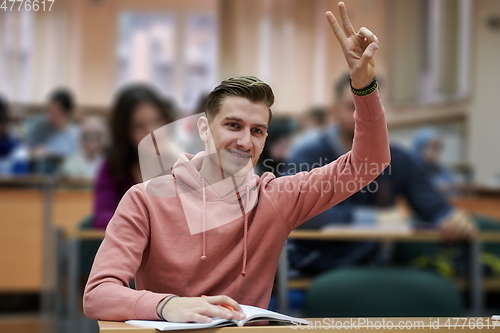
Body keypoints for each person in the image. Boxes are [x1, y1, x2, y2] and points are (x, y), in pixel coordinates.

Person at [84, 2, 390, 322]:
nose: (245, 141)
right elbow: (98, 295)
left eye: (257, 131)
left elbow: (369, 161)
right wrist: (168, 305)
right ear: (204, 128)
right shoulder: (145, 199)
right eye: (233, 125)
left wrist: (364, 87)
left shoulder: (275, 199)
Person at [285, 73, 476, 275]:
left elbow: (432, 206)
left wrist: (451, 219)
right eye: (353, 106)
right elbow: (294, 209)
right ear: (334, 112)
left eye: (374, 107)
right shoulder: (308, 154)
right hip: (314, 267)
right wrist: (376, 220)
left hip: (374, 268)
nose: (365, 114)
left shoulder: (400, 159)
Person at [92, 84, 177, 229]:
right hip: (132, 247)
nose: (152, 132)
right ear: (125, 133)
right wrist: (144, 223)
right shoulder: (113, 166)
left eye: (157, 121)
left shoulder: (183, 161)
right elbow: (101, 218)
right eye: (139, 126)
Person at [25, 89, 79, 173]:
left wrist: (49, 152)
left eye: (54, 112)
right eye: (48, 111)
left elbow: (75, 158)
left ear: (66, 113)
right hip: (41, 175)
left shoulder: (75, 134)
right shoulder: (41, 127)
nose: (49, 116)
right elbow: (28, 149)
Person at [412, 127, 460, 197]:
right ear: (419, 147)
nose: (436, 153)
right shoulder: (411, 171)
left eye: (438, 148)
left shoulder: (443, 171)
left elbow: (455, 192)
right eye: (433, 147)